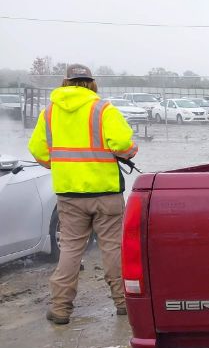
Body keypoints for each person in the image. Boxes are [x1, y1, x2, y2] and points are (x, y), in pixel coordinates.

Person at [28, 64, 138, 325]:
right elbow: (123, 145)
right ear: (91, 83)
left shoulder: (50, 112)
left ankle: (60, 308)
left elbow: (37, 150)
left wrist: (61, 167)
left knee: (70, 249)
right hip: (105, 192)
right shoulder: (103, 109)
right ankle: (123, 303)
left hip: (69, 194)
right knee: (112, 247)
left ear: (66, 82)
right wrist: (130, 152)